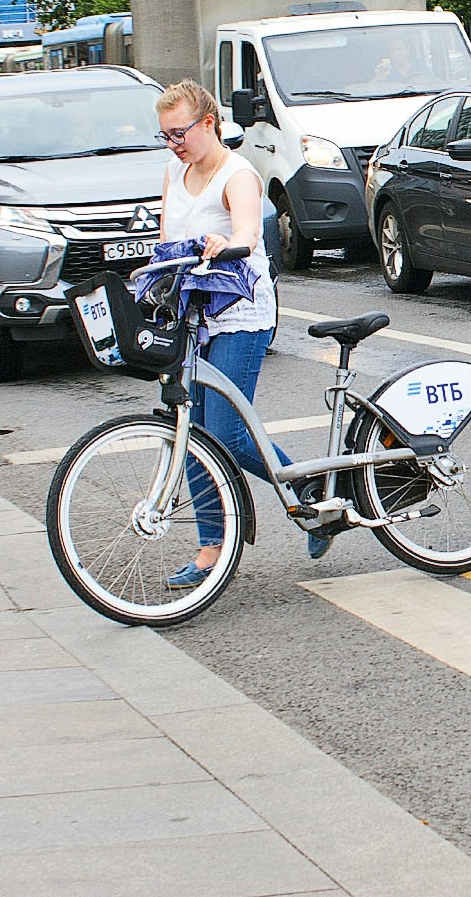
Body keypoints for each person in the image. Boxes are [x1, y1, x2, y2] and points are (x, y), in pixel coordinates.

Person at [153, 80, 328, 589]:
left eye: (180, 132)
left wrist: (224, 241)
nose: (174, 144)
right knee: (192, 433)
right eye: (165, 135)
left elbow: (248, 234)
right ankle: (211, 549)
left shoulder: (238, 174)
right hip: (194, 314)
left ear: (208, 122)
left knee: (227, 433)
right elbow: (167, 239)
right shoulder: (174, 170)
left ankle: (308, 488)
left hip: (239, 314)